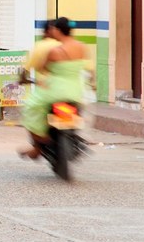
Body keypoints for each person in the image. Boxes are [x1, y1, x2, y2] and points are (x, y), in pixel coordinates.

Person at [18, 17, 92, 159]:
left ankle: (40, 144)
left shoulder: (54, 51)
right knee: (80, 112)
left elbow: (42, 68)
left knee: (30, 109)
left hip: (54, 90)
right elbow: (89, 69)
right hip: (76, 90)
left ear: (57, 31)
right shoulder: (82, 47)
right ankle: (74, 137)